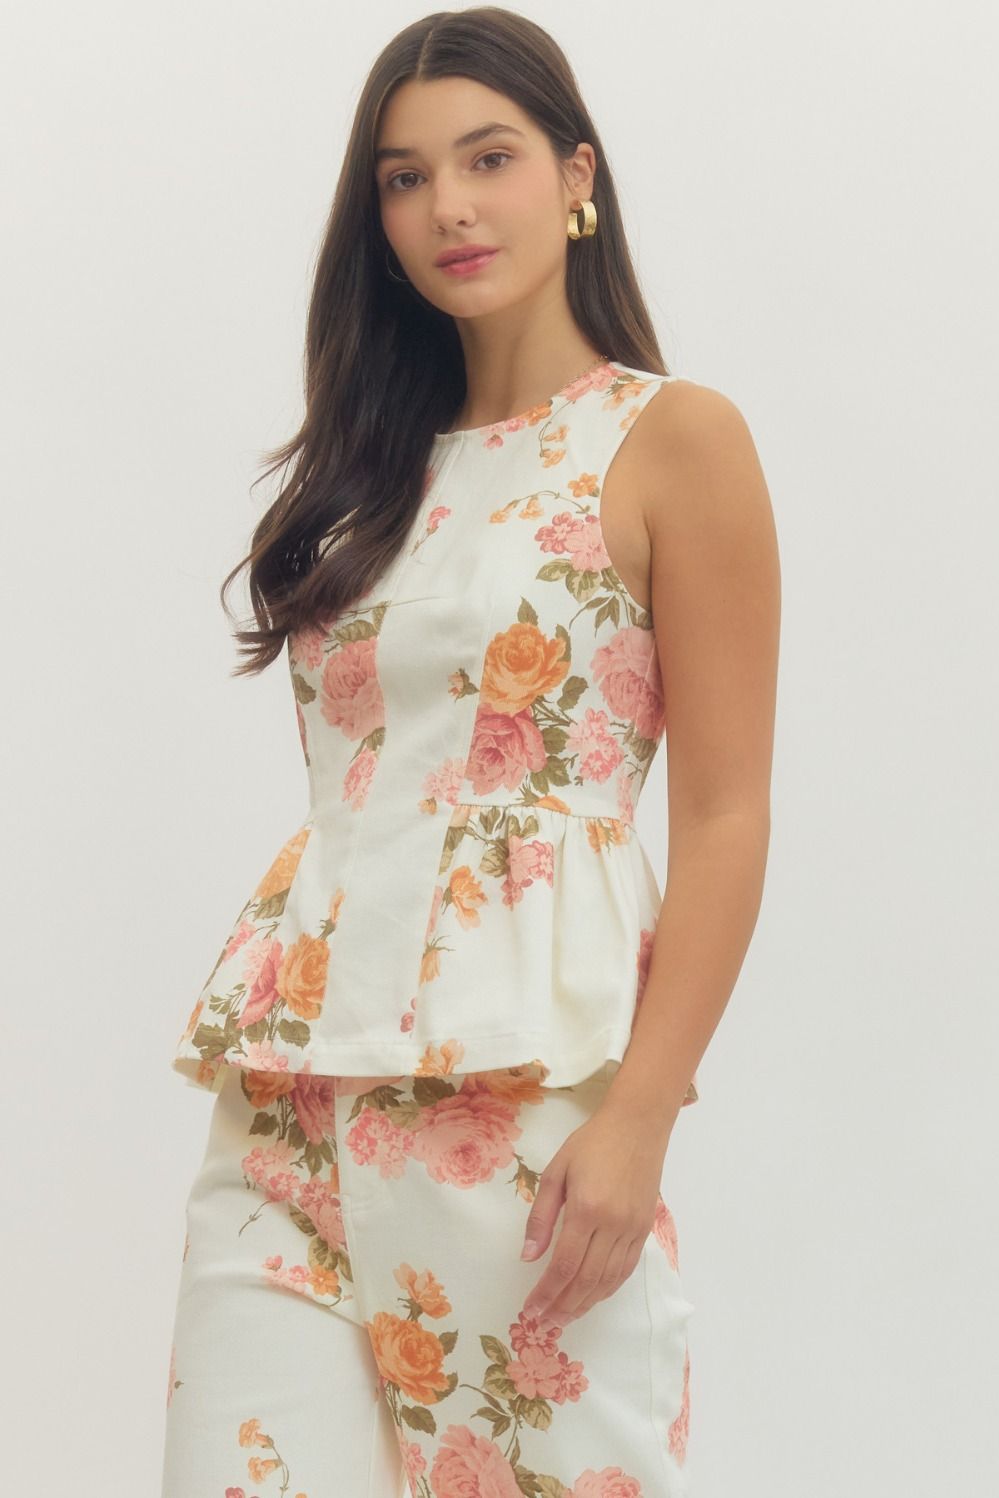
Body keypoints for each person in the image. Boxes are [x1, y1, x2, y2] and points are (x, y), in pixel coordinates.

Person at [160, 9, 780, 1497]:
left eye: (487, 158)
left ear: (577, 177)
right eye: (405, 176)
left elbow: (727, 813)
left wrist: (641, 1117)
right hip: (290, 1091)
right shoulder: (364, 475)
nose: (447, 205)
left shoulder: (673, 440)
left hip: (521, 1104)